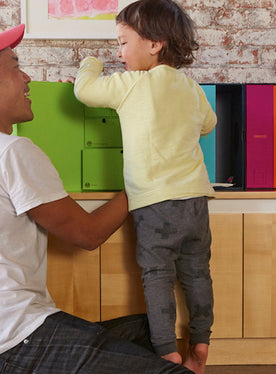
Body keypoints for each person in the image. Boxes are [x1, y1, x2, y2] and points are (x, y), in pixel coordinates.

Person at [0, 24, 193, 374]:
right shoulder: (10, 151)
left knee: (150, 331)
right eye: (14, 66)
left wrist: (74, 100)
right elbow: (87, 234)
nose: (26, 77)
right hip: (12, 345)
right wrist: (146, 179)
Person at [74, 1, 217, 373]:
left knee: (157, 276)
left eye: (122, 42)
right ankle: (200, 340)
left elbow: (85, 92)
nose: (118, 52)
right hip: (195, 201)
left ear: (154, 44)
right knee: (197, 272)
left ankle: (167, 351)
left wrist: (90, 64)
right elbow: (208, 123)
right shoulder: (190, 86)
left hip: (154, 203)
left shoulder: (131, 84)